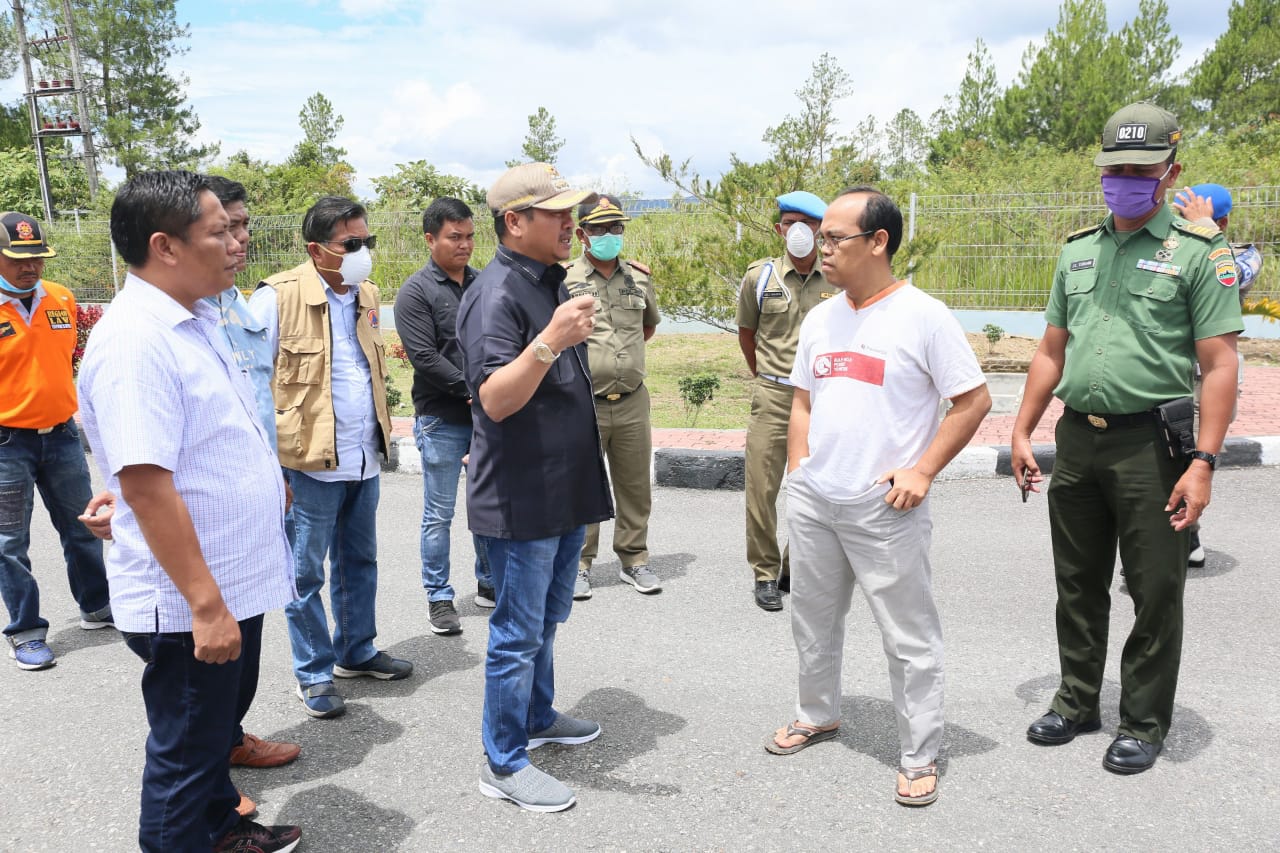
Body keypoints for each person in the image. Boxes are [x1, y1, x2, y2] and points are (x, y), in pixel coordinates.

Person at [1012, 103, 1243, 775]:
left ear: (1171, 173)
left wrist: (1204, 460)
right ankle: (1077, 699)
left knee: (1154, 588)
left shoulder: (1199, 254)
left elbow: (1222, 363)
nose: (1125, 181)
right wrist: (1024, 428)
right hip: (1079, 438)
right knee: (1077, 581)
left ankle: (1143, 719)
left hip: (1153, 445)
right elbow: (1052, 349)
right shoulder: (1077, 251)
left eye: (1141, 170)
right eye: (1114, 170)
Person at [78, 170, 301, 852]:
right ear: (164, 246)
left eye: (237, 229)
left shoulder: (196, 316)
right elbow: (146, 484)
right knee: (184, 755)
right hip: (190, 596)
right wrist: (205, 604)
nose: (237, 244)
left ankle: (222, 828)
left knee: (208, 738)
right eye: (219, 232)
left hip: (228, 573)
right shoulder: (137, 340)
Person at [764, 187, 989, 807]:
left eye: (835, 238)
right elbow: (803, 398)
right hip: (815, 499)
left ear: (878, 242)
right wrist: (798, 468)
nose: (819, 246)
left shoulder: (924, 316)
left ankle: (920, 752)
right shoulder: (821, 316)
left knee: (908, 636)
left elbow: (973, 401)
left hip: (883, 506)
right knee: (812, 619)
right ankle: (818, 713)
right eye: (820, 236)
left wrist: (922, 470)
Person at [457, 163, 614, 812]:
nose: (570, 224)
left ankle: (539, 714)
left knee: (548, 618)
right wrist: (550, 340)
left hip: (561, 488)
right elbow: (495, 398)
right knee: (517, 632)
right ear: (514, 222)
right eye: (556, 214)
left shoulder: (546, 281)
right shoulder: (495, 294)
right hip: (521, 497)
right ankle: (503, 759)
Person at [251, 196, 412, 720]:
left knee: (359, 562)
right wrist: (274, 469)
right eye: (352, 244)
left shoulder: (366, 292)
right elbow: (253, 386)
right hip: (306, 463)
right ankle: (314, 673)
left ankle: (355, 651)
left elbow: (368, 373)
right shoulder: (276, 297)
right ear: (316, 249)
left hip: (362, 456)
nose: (363, 251)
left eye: (367, 241)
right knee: (305, 575)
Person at [0, 211, 113, 671]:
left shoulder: (61, 300)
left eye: (37, 258)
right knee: (9, 542)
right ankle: (25, 631)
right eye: (17, 260)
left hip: (63, 436)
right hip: (7, 444)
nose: (30, 268)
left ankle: (97, 606)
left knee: (84, 527)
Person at [394, 197, 494, 631]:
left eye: (470, 236)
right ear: (431, 238)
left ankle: (490, 583)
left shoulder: (485, 283)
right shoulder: (415, 292)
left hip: (488, 416)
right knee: (440, 512)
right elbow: (424, 357)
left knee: (488, 504)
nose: (465, 245)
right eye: (455, 237)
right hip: (441, 417)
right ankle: (439, 597)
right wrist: (474, 390)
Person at [736, 191, 834, 611]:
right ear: (779, 229)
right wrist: (765, 376)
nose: (798, 231)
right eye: (789, 222)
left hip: (825, 396)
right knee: (762, 487)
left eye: (807, 223)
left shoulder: (838, 277)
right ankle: (764, 572)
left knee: (815, 485)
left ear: (820, 230)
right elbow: (746, 333)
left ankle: (794, 567)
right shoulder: (760, 278)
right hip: (775, 394)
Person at [563, 194, 661, 600]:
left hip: (633, 399)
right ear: (582, 233)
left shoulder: (638, 278)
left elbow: (647, 327)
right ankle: (579, 566)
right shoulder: (564, 279)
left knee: (635, 485)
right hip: (584, 400)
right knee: (583, 484)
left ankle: (634, 559)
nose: (609, 236)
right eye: (600, 229)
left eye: (616, 227)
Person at [1172, 182, 1263, 569]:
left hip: (1211, 376)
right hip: (1170, 371)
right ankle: (1172, 537)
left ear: (1220, 221)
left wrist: (1205, 231)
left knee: (1198, 455)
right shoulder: (1174, 248)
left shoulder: (1243, 256)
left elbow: (1228, 276)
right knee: (1165, 453)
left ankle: (1186, 532)